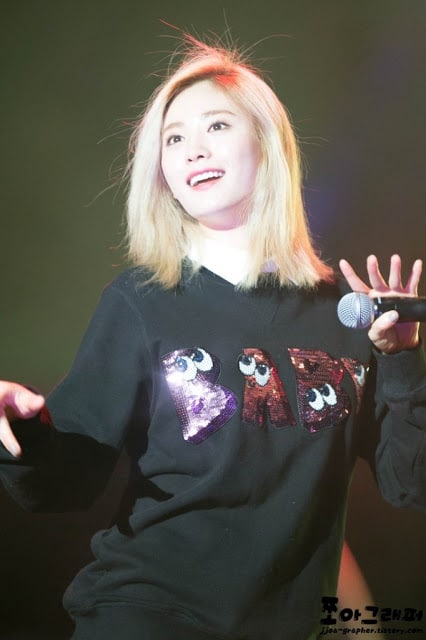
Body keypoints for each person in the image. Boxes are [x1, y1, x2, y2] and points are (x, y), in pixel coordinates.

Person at [0, 35, 425, 640]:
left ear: (268, 146)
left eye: (216, 126)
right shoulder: (141, 302)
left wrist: (403, 360)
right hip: (147, 617)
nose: (191, 150)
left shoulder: (344, 314)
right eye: (173, 139)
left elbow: (410, 484)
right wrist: (24, 431)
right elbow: (67, 480)